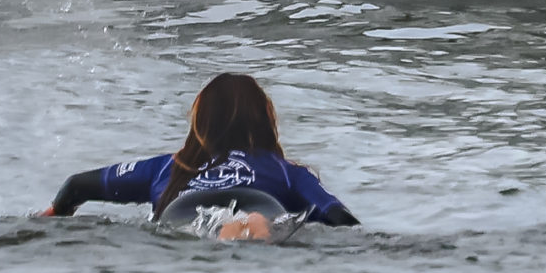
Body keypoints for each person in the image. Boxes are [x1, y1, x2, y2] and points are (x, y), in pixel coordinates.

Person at [39, 71, 358, 240]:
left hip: (184, 211)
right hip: (262, 206)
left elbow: (76, 186)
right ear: (265, 122)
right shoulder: (288, 172)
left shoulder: (168, 167)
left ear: (201, 122)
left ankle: (232, 232)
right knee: (254, 225)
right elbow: (340, 219)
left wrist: (51, 215)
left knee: (207, 232)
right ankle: (250, 230)